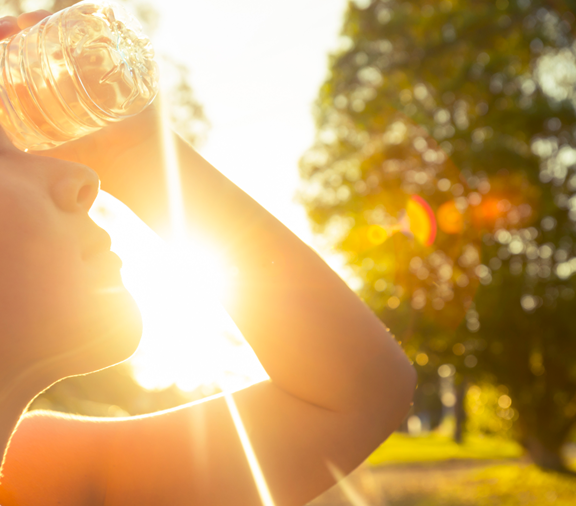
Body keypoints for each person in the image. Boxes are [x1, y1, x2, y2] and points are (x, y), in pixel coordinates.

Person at [0, 10, 416, 506]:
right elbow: (356, 398)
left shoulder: (36, 477)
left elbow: (361, 391)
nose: (84, 182)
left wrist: (138, 152)